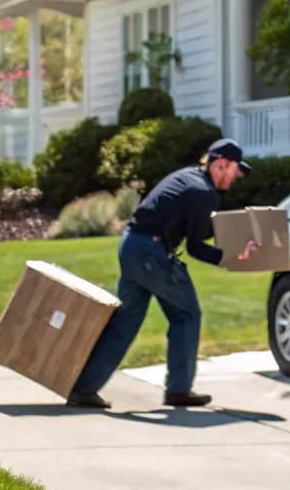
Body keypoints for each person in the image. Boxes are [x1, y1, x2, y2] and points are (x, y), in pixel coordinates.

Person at [67, 138, 257, 409]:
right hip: (151, 254)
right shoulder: (203, 192)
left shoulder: (188, 178)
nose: (236, 177)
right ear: (221, 164)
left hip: (133, 247)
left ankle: (84, 390)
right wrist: (233, 258)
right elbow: (195, 247)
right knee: (187, 314)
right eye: (235, 170)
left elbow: (197, 229)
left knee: (125, 324)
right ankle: (179, 390)